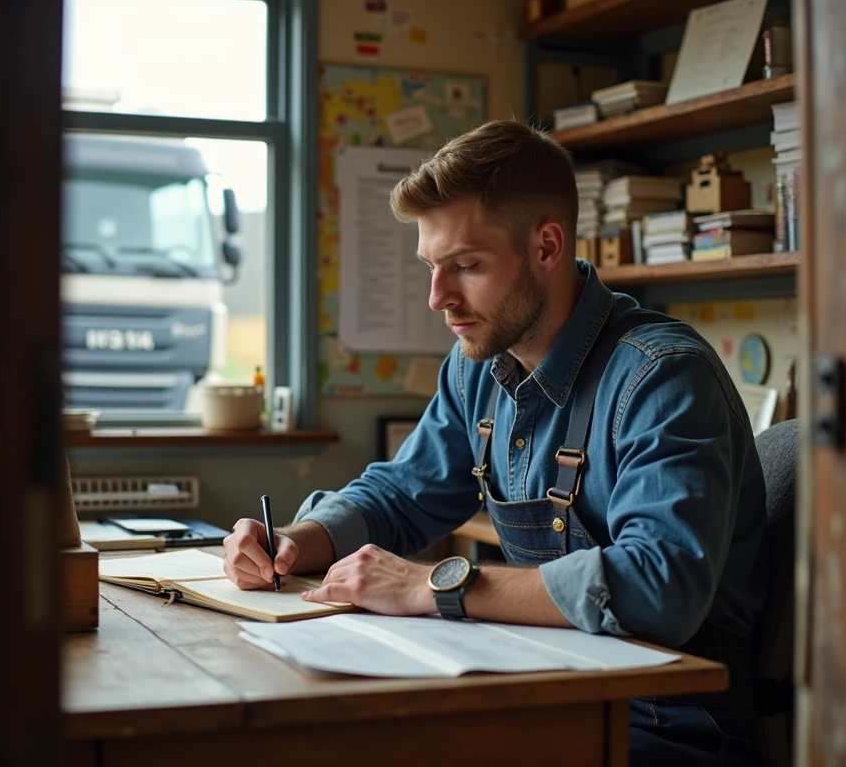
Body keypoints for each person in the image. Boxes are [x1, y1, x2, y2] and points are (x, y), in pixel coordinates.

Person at [222, 120, 768, 766]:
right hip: (547, 685)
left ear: (546, 246)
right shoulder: (475, 368)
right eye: (431, 268)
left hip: (668, 726)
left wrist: (434, 585)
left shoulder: (662, 377)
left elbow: (660, 586)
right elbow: (404, 494)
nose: (438, 298)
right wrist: (295, 541)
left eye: (466, 266)